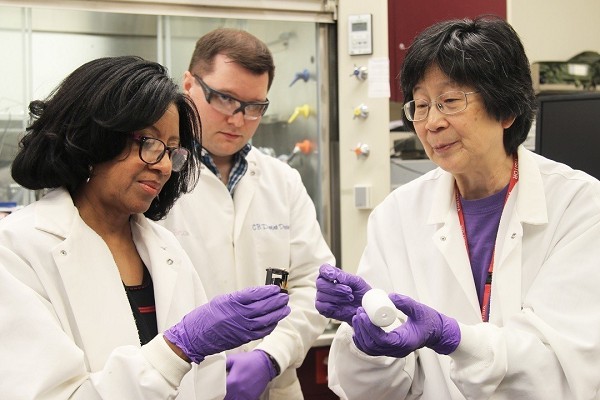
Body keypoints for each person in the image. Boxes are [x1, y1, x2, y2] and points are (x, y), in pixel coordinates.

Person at [315, 16, 600, 400]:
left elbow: (564, 372)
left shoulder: (580, 207)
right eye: (420, 104)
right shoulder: (397, 215)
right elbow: (376, 391)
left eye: (450, 101)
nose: (432, 122)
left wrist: (454, 339)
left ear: (506, 110)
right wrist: (369, 345)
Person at [0, 55, 291, 400]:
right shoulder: (17, 250)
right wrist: (177, 349)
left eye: (172, 150)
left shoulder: (165, 249)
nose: (165, 165)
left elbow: (207, 387)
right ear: (94, 138)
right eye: (150, 144)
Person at [159, 28, 333, 400]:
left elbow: (310, 284)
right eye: (225, 99)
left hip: (272, 384)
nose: (239, 119)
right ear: (188, 83)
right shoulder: (155, 175)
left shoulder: (282, 180)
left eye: (254, 106)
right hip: (179, 384)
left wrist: (270, 357)